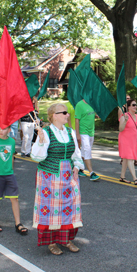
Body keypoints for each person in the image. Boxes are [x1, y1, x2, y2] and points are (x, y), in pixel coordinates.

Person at [31, 103, 84, 255]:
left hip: (68, 174)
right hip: (50, 176)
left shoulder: (70, 132)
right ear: (54, 115)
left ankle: (66, 240)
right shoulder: (46, 132)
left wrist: (77, 165)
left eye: (67, 113)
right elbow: (36, 157)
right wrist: (40, 141)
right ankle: (52, 242)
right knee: (52, 209)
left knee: (70, 206)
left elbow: (76, 153)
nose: (68, 115)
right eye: (64, 113)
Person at [0, 124, 28, 235]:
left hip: (9, 174)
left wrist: (11, 170)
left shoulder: (12, 142)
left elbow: (11, 158)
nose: (0, 131)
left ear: (9, 130)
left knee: (14, 198)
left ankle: (18, 223)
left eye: (3, 129)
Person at [118, 99, 137, 185]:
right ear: (129, 107)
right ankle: (135, 178)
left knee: (125, 159)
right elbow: (120, 129)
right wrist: (125, 121)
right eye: (133, 105)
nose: (135, 106)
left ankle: (122, 177)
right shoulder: (124, 116)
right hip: (124, 140)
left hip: (132, 141)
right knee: (130, 158)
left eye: (136, 105)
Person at [75, 99, 100, 181]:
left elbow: (90, 114)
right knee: (87, 150)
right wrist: (77, 134)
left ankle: (78, 168)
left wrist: (96, 116)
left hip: (91, 132)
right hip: (83, 131)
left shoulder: (92, 103)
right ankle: (91, 172)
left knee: (84, 152)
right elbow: (77, 120)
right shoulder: (79, 104)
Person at [118, 95, 137, 166]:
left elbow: (133, 116)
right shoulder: (121, 109)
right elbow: (120, 119)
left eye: (129, 98)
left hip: (132, 130)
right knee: (126, 146)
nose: (128, 99)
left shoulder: (131, 107)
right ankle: (123, 159)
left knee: (134, 145)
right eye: (126, 98)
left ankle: (135, 160)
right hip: (125, 130)